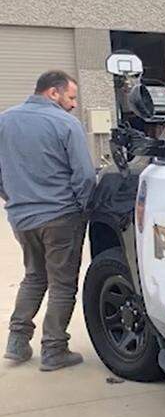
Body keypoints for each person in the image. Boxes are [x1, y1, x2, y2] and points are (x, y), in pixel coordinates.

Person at [0, 71, 96, 371]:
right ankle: (54, 349)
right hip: (60, 216)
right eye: (71, 97)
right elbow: (84, 176)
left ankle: (17, 343)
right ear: (53, 93)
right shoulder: (66, 123)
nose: (73, 104)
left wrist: (14, 199)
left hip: (22, 217)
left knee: (34, 276)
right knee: (62, 284)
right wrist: (83, 209)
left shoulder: (4, 120)